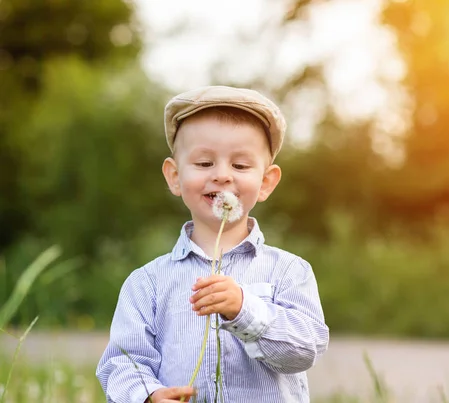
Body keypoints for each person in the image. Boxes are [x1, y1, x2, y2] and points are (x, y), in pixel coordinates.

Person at [96, 86, 329, 403]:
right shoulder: (147, 283)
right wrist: (148, 395)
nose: (222, 175)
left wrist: (245, 310)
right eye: (204, 163)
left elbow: (305, 350)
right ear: (175, 176)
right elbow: (123, 361)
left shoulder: (289, 271)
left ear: (266, 182)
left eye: (241, 166)